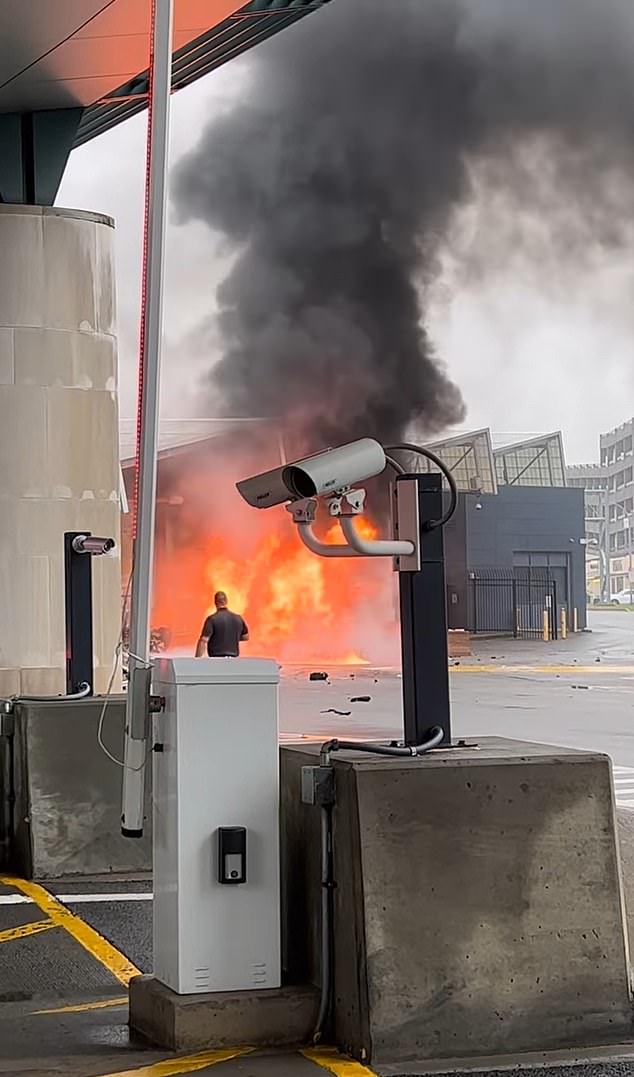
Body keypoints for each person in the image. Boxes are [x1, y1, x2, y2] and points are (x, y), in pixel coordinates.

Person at [195, 591, 249, 658]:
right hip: (233, 661)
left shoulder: (212, 619)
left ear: (215, 602)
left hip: (217, 660)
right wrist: (232, 637)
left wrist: (197, 660)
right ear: (226, 601)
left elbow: (203, 641)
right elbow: (245, 637)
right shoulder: (238, 618)